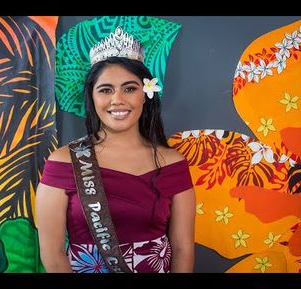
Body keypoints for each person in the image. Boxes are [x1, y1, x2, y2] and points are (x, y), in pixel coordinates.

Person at [36, 27, 195, 273]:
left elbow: (183, 250)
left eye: (129, 88)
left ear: (145, 94)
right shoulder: (63, 162)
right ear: (92, 97)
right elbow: (53, 255)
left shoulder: (172, 163)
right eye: (105, 90)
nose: (117, 99)